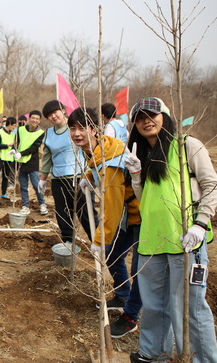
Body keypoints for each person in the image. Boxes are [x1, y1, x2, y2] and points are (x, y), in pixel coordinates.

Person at [125, 97, 217, 363]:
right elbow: (145, 199)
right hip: (151, 240)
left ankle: (205, 360)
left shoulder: (187, 146)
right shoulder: (140, 153)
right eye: (140, 117)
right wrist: (135, 176)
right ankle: (154, 354)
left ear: (165, 117)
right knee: (154, 305)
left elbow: (212, 185)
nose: (146, 121)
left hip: (186, 240)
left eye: (152, 115)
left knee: (189, 307)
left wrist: (200, 224)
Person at [68, 107, 142, 339]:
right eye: (73, 128)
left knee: (139, 269)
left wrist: (100, 239)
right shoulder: (97, 149)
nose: (77, 133)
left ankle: (130, 318)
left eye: (83, 127)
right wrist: (88, 178)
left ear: (95, 129)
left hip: (139, 216)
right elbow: (95, 166)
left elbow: (112, 206)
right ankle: (122, 295)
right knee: (112, 255)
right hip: (125, 216)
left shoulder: (111, 160)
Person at [39, 100, 92, 244]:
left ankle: (98, 244)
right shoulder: (49, 133)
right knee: (62, 213)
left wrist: (89, 172)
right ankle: (68, 243)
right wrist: (43, 178)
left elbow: (89, 149)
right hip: (58, 178)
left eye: (55, 112)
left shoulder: (75, 128)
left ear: (62, 110)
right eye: (49, 115)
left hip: (79, 177)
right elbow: (47, 157)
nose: (53, 117)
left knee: (86, 213)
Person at [14, 110, 47, 215]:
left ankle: (42, 204)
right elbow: (17, 143)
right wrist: (14, 150)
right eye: (33, 118)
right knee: (23, 185)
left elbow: (34, 148)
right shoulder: (21, 129)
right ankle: (25, 206)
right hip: (21, 161)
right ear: (29, 118)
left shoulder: (41, 133)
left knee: (36, 184)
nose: (35, 120)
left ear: (39, 120)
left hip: (32, 161)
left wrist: (21, 153)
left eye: (37, 119)